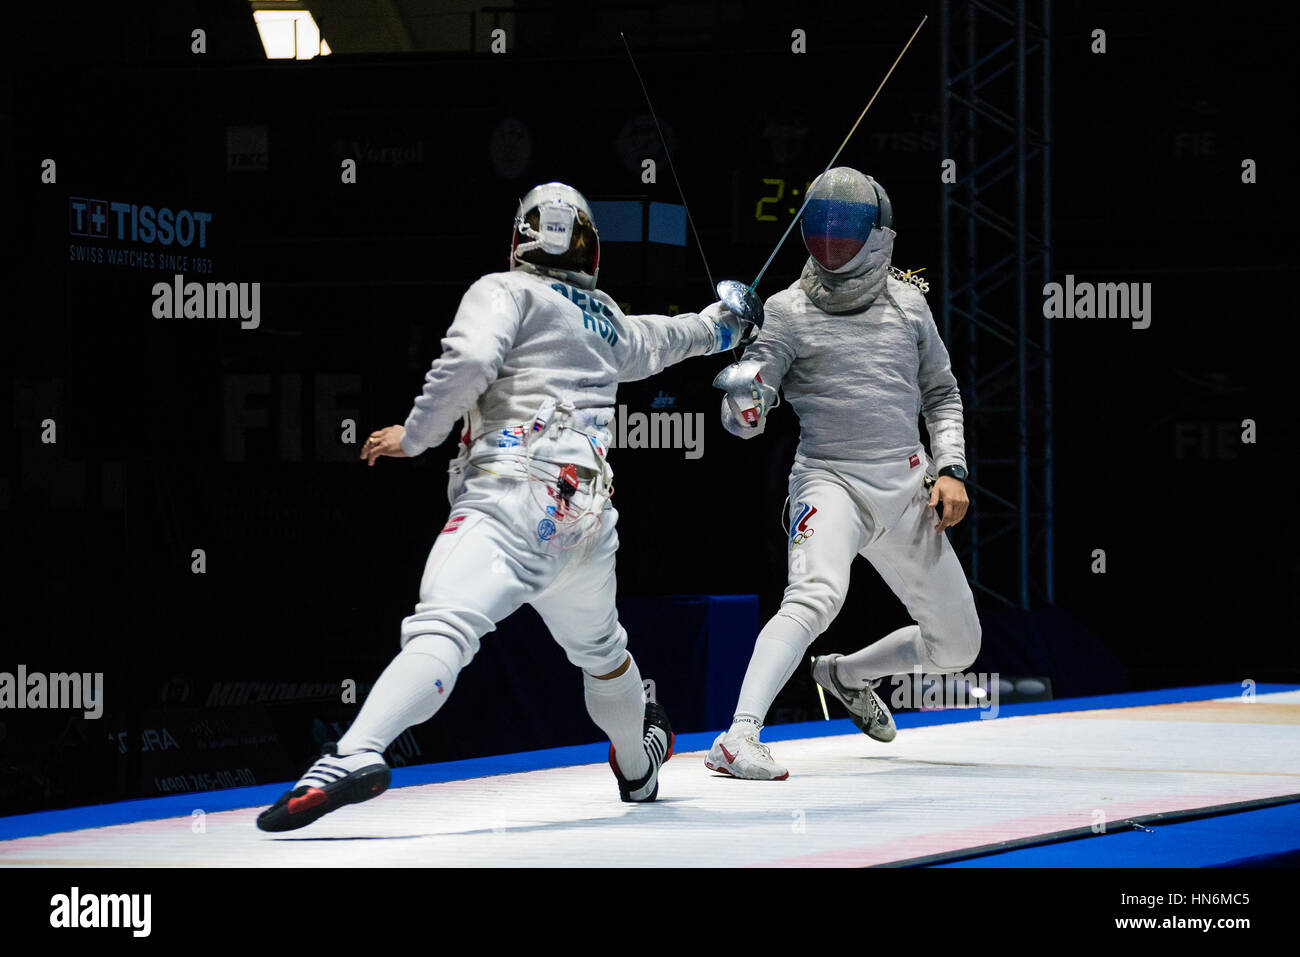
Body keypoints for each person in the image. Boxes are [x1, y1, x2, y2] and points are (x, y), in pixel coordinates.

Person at [257, 182, 743, 830]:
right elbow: (675, 337)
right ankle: (637, 764)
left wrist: (416, 434)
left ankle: (354, 752)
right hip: (585, 517)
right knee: (603, 650)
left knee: (444, 627)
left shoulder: (503, 290)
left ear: (521, 240)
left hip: (512, 490)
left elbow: (471, 356)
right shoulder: (607, 320)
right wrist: (728, 321)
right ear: (589, 247)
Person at [705, 167, 981, 780]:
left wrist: (951, 467)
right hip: (831, 483)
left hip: (909, 489)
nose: (831, 239)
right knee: (815, 595)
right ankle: (738, 737)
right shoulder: (785, 311)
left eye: (846, 225)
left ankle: (845, 674)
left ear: (878, 234)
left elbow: (941, 394)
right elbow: (749, 414)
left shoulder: (909, 305)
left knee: (959, 648)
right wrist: (744, 404)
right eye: (820, 225)